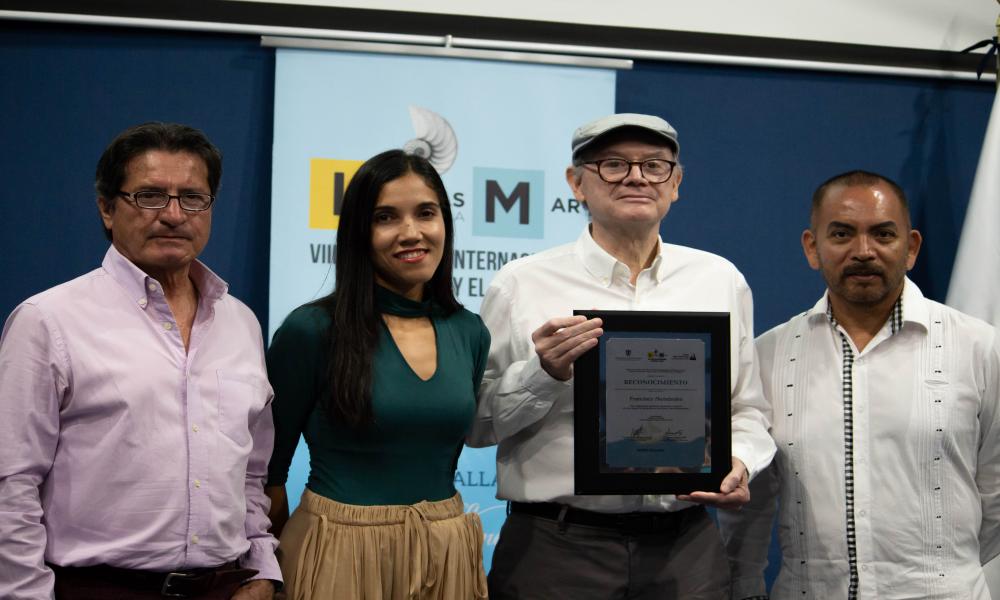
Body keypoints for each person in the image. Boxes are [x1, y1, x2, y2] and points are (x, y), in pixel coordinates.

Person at [469, 113, 776, 599]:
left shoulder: (720, 280)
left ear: (675, 183)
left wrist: (737, 461)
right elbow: (475, 424)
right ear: (577, 183)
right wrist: (541, 374)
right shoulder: (521, 284)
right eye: (612, 164)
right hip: (557, 549)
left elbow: (747, 409)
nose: (636, 177)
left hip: (687, 548)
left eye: (655, 165)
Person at [0, 122, 280, 599]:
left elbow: (251, 474)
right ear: (107, 209)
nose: (173, 215)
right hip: (98, 588)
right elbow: (11, 483)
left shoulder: (241, 323)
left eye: (193, 198)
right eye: (150, 196)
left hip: (225, 587)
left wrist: (262, 570)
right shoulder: (48, 321)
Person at [719, 170, 1000, 599]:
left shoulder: (980, 348)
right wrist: (743, 584)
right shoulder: (767, 356)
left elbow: (996, 492)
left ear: (912, 248)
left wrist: (936, 576)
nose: (863, 251)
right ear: (812, 248)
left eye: (883, 234)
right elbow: (751, 503)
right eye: (842, 234)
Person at [264, 149, 491, 599]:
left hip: (444, 555)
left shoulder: (469, 331)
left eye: (426, 213)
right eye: (386, 217)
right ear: (358, 234)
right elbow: (267, 473)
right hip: (338, 554)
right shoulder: (311, 330)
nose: (411, 233)